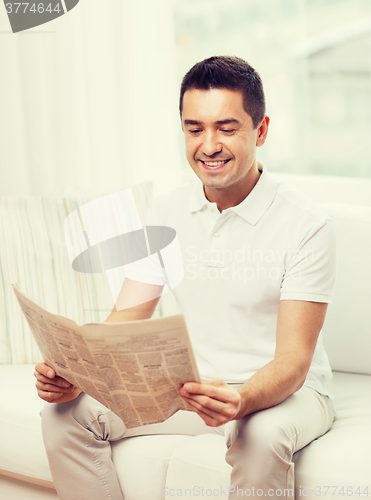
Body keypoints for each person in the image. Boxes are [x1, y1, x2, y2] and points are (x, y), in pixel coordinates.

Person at [35, 56, 336, 500]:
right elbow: (128, 315)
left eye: (227, 128)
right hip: (192, 388)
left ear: (262, 130)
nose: (208, 145)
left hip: (287, 393)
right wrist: (76, 368)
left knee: (263, 435)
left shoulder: (307, 224)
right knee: (64, 416)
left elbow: (293, 362)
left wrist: (242, 400)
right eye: (194, 129)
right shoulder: (166, 212)